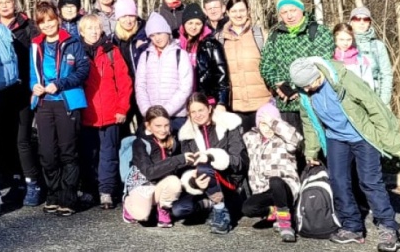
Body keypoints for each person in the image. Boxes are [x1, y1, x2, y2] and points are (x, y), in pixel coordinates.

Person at [290, 57, 400, 252]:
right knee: (338, 181)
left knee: (370, 181)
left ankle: (388, 227)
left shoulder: (343, 79)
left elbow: (373, 105)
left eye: (309, 85)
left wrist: (390, 141)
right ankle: (352, 226)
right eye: (303, 87)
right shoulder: (304, 93)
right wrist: (311, 151)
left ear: (317, 75)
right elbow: (308, 121)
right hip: (336, 138)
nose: (307, 90)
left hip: (363, 136)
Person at [28, 1, 90, 216]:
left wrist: (60, 83)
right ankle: (53, 193)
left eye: (50, 20)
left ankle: (69, 197)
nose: (47, 25)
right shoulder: (36, 45)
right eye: (42, 22)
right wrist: (34, 86)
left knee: (67, 152)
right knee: (47, 153)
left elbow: (82, 71)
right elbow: (32, 75)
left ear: (58, 20)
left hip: (67, 101)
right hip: (44, 103)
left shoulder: (72, 42)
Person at [259, 0, 334, 132]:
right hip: (287, 105)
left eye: (293, 10)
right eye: (284, 12)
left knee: (319, 148)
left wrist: (296, 86)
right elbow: (265, 64)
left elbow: (323, 63)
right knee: (293, 149)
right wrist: (279, 84)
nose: (289, 15)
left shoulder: (318, 32)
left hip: (315, 101)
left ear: (301, 9)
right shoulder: (276, 35)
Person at [78, 14, 132, 210]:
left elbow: (124, 82)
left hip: (110, 113)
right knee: (88, 154)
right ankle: (89, 189)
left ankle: (106, 191)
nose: (93, 32)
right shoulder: (76, 52)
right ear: (81, 31)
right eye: (89, 28)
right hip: (86, 114)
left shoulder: (111, 51)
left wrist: (122, 108)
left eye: (96, 28)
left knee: (108, 154)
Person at [0, 0, 36, 200]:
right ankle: (7, 180)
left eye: (8, 1)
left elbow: (37, 58)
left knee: (22, 139)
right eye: (0, 2)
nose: (5, 5)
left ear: (15, 3)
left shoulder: (28, 27)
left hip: (23, 89)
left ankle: (31, 182)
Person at [176, 94, 245, 235]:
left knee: (204, 166)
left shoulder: (228, 125)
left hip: (229, 181)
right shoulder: (186, 134)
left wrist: (211, 156)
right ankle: (213, 205)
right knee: (179, 209)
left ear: (209, 108)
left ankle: (220, 210)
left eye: (200, 110)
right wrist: (194, 182)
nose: (197, 115)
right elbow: (187, 169)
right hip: (204, 185)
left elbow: (239, 162)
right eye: (193, 112)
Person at [241, 101, 302, 243]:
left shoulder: (284, 141)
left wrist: (273, 121)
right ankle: (274, 211)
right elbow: (244, 135)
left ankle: (285, 223)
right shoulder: (252, 139)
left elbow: (295, 138)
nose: (268, 128)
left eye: (271, 125)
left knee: (275, 180)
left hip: (284, 185)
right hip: (264, 189)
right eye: (263, 124)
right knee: (247, 208)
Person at [123, 106, 188, 227]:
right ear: (148, 125)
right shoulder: (140, 143)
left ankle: (163, 208)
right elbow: (149, 173)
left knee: (174, 182)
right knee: (142, 216)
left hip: (160, 186)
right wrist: (177, 160)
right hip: (143, 185)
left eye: (166, 125)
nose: (163, 130)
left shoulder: (173, 141)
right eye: (158, 126)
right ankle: (128, 203)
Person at [216, 0, 271, 130]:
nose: (238, 15)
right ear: (227, 13)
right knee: (241, 149)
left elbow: (271, 66)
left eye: (242, 10)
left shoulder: (260, 35)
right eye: (234, 11)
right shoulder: (219, 39)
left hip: (263, 105)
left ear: (248, 11)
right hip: (234, 107)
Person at [134, 12, 194, 131]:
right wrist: (148, 112)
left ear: (167, 33)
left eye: (160, 33)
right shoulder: (145, 56)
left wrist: (165, 111)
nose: (157, 38)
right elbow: (140, 86)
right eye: (152, 35)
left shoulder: (180, 54)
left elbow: (185, 87)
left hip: (176, 116)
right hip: (152, 117)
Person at [178, 4, 230, 109]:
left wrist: (221, 102)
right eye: (190, 23)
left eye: (198, 23)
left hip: (205, 99)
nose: (193, 27)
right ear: (184, 24)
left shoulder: (211, 44)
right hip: (181, 101)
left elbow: (222, 76)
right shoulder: (175, 44)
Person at [348, 6, 393, 107]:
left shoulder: (378, 46)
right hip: (351, 100)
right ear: (351, 22)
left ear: (369, 23)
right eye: (357, 19)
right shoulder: (344, 43)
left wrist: (383, 102)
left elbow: (386, 75)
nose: (362, 22)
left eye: (366, 19)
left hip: (375, 98)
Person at [111, 0, 148, 80]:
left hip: (144, 86)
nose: (128, 20)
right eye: (124, 16)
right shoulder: (113, 40)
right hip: (124, 88)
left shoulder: (146, 35)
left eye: (131, 16)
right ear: (118, 18)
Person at [333, 23, 376, 92]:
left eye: (348, 39)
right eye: (341, 39)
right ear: (335, 39)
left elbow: (369, 87)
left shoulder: (361, 60)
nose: (345, 43)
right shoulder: (330, 58)